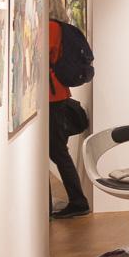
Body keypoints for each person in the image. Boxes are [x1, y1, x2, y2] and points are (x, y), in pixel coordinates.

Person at [49, 12, 89, 219]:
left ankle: (78, 201)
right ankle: (74, 201)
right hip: (57, 93)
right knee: (57, 151)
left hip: (52, 96)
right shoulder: (60, 28)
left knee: (57, 152)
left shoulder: (51, 28)